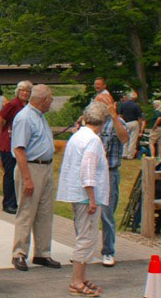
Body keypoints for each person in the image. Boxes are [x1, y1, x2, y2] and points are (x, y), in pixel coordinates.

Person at [56, 102, 110, 297]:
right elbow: (87, 169)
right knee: (86, 238)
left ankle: (82, 277)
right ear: (103, 122)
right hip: (85, 196)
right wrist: (92, 198)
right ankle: (76, 281)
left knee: (85, 235)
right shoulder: (93, 140)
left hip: (77, 194)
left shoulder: (77, 136)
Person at [10, 84, 59, 271]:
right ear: (43, 100)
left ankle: (42, 252)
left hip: (45, 167)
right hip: (31, 167)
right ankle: (19, 253)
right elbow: (19, 149)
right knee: (27, 211)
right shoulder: (24, 118)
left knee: (45, 212)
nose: (51, 103)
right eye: (51, 99)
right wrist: (27, 178)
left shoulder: (40, 117)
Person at [0, 81, 33, 214]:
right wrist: (3, 133)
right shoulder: (13, 104)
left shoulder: (27, 105)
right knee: (9, 174)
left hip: (19, 143)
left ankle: (16, 200)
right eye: (22, 90)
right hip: (8, 143)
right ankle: (8, 203)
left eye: (27, 91)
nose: (25, 93)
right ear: (18, 92)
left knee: (18, 173)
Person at [98, 96, 128, 267]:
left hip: (109, 173)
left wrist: (114, 116)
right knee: (85, 212)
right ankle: (83, 249)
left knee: (107, 213)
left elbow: (124, 138)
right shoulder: (92, 123)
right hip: (92, 173)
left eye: (104, 103)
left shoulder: (117, 122)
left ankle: (108, 251)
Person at [117, 90, 144, 159]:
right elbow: (140, 118)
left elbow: (120, 115)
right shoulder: (136, 106)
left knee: (125, 139)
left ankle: (124, 154)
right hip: (134, 122)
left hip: (125, 123)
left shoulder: (123, 104)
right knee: (133, 140)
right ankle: (130, 155)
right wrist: (140, 127)